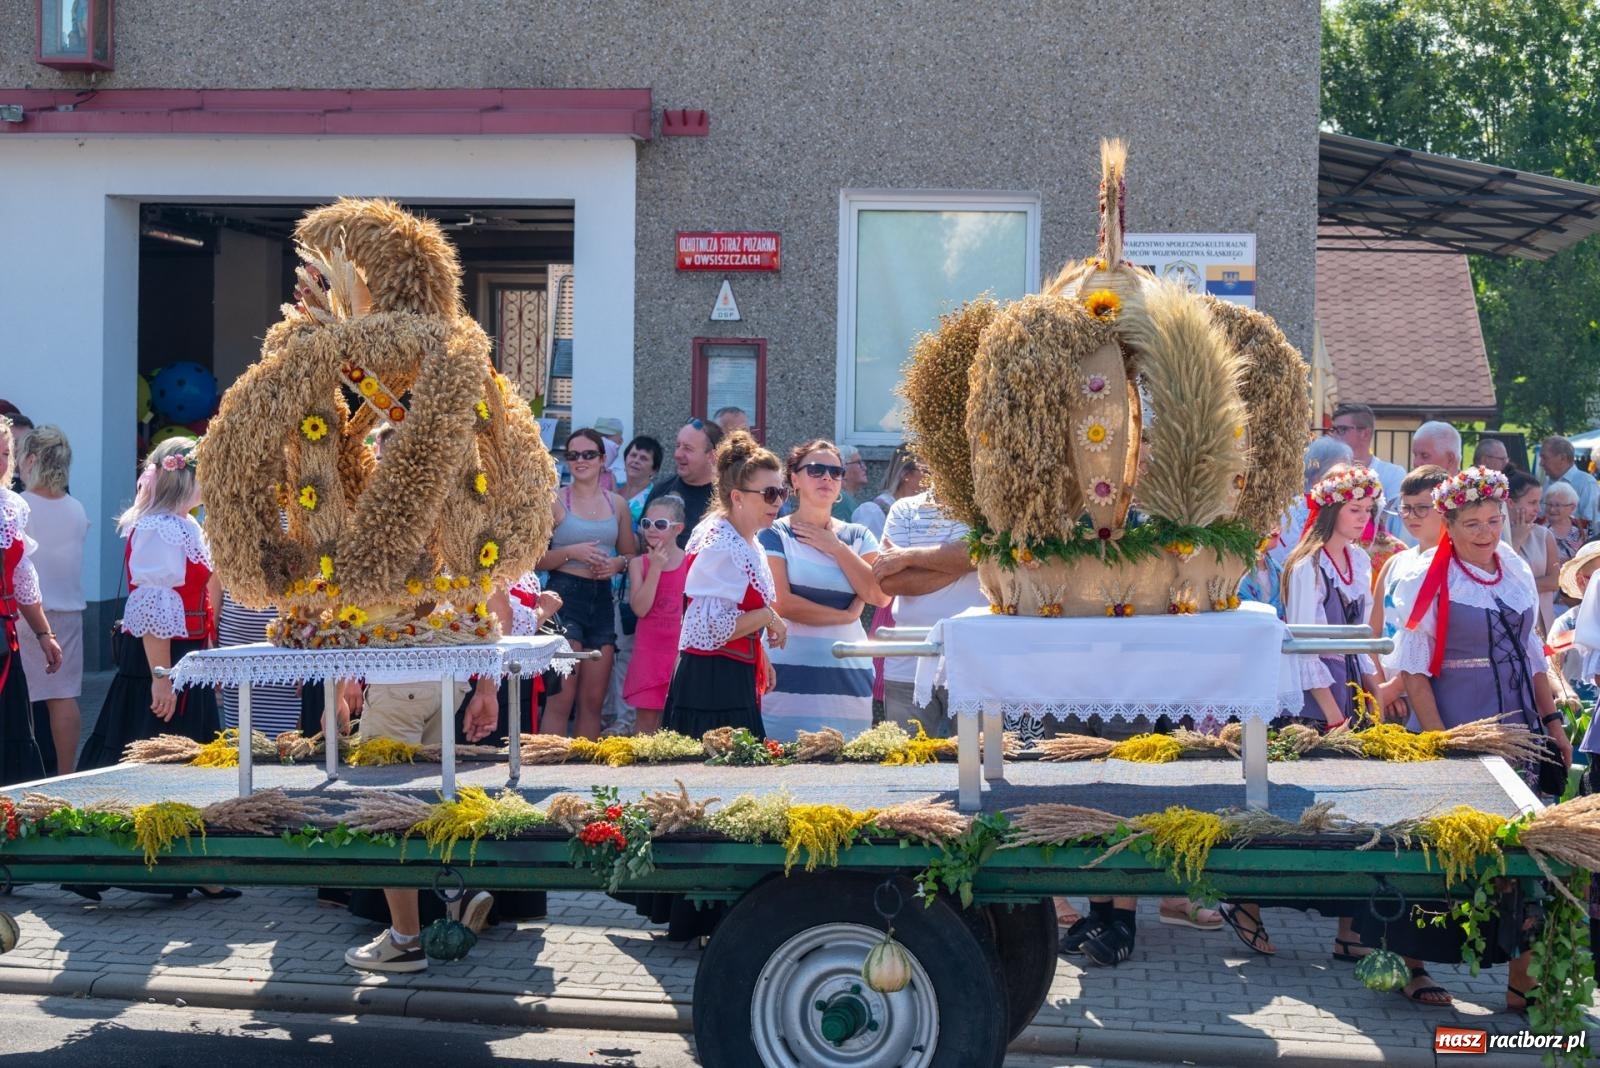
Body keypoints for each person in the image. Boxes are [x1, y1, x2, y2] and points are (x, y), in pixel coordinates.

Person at [1386, 466, 1572, 1013]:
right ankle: (1413, 965)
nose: (1487, 532)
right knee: (1443, 849)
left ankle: (1522, 978)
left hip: (1519, 724)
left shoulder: (1512, 567)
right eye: (1473, 523)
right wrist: (1444, 741)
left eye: (1494, 520)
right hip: (1458, 718)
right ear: (1449, 524)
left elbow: (1534, 652)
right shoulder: (1427, 577)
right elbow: (1415, 670)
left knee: (1525, 846)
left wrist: (1553, 723)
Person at [344, 605, 509, 973]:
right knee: (429, 806)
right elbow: (491, 603)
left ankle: (405, 941)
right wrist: (486, 687)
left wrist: (340, 686)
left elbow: (352, 602)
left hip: (397, 678)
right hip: (448, 677)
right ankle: (455, 899)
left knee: (387, 815)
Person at [79, 438, 223, 770]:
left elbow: (194, 596)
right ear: (187, 477)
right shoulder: (160, 527)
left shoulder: (183, 523)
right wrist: (161, 677)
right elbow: (153, 609)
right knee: (156, 748)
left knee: (182, 750)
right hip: (162, 658)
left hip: (183, 655)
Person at [660, 430, 787, 741]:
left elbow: (734, 612)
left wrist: (760, 653)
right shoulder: (721, 543)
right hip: (711, 683)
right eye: (769, 494)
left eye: (782, 492)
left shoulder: (745, 539)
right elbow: (711, 629)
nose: (778, 502)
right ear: (738, 497)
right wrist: (769, 617)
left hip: (729, 675)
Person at [759, 439, 888, 742]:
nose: (827, 478)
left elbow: (879, 595)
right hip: (787, 677)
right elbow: (783, 604)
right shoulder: (774, 533)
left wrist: (836, 548)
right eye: (816, 470)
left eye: (835, 471)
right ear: (794, 479)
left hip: (846, 678)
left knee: (848, 772)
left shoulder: (858, 536)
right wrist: (844, 615)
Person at [535, 428, 637, 740]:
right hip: (563, 597)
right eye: (573, 455)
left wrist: (616, 564)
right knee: (560, 698)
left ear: (602, 459)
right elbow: (534, 558)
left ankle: (583, 778)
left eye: (588, 454)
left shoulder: (617, 504)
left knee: (593, 702)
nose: (581, 460)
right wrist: (569, 553)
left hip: (602, 598)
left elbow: (630, 554)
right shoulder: (554, 501)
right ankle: (546, 769)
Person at [873, 487, 984, 736]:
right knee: (907, 764)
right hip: (908, 657)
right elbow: (889, 581)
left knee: (977, 761)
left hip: (972, 658)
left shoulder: (983, 504)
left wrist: (907, 556)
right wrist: (959, 563)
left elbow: (972, 554)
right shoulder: (903, 508)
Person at [15, 425, 87, 774]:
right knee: (64, 695)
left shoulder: (21, 505)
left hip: (27, 613)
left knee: (20, 697)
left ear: (31, 460)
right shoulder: (76, 507)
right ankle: (65, 773)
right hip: (70, 611)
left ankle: (25, 771)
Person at [0, 418, 62, 786]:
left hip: (5, 639)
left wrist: (44, 633)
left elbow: (22, 580)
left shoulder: (11, 506)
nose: (2, 462)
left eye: (6, 453)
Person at [623, 495, 689, 736]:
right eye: (646, 524)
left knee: (677, 724)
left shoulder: (691, 562)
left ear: (677, 529)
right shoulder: (639, 564)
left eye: (660, 524)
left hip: (679, 656)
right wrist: (657, 568)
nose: (651, 529)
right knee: (646, 727)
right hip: (649, 656)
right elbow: (640, 608)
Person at [1371, 466, 1449, 642]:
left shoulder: (1459, 563)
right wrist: (1378, 670)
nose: (1411, 516)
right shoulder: (1394, 563)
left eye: (1421, 508)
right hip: (1388, 665)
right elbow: (1374, 632)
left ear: (1444, 508)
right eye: (1406, 508)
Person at [1267, 437, 1352, 569]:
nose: (1349, 486)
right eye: (1341, 480)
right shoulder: (1287, 515)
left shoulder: (1351, 512)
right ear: (1316, 479)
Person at [645, 418, 724, 549]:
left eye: (687, 448)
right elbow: (643, 541)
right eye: (677, 446)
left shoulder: (729, 498)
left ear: (711, 456)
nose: (677, 454)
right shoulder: (661, 491)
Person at [1328, 404, 1406, 536]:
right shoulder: (1329, 473)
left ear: (1365, 433)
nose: (1334, 435)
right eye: (1333, 429)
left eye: (1341, 429)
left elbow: (1392, 520)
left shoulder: (1393, 474)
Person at [1507, 471, 1560, 631]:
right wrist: (1516, 540)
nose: (1538, 509)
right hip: (1509, 623)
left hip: (1542, 622)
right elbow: (1498, 577)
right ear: (1510, 502)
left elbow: (1555, 581)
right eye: (1532, 502)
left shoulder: (1544, 535)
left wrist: (1519, 586)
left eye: (1539, 503)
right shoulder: (1495, 535)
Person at [851, 452, 925, 540]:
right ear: (906, 474)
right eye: (925, 471)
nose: (932, 478)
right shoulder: (874, 512)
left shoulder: (923, 511)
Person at [1540, 435, 1600, 526]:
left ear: (1563, 458)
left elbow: (1591, 523)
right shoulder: (1547, 483)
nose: (1541, 463)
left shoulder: (1586, 483)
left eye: (1544, 458)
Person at [616, 434, 663, 524]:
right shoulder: (612, 487)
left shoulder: (656, 498)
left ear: (654, 470)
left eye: (643, 458)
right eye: (633, 455)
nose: (636, 461)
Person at [1542, 481, 1585, 564]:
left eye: (1557, 505)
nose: (1552, 509)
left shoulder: (1584, 528)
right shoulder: (1538, 527)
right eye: (1549, 504)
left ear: (1572, 507)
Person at [836, 445, 870, 522]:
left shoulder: (844, 498)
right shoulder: (842, 500)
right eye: (858, 463)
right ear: (842, 469)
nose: (864, 468)